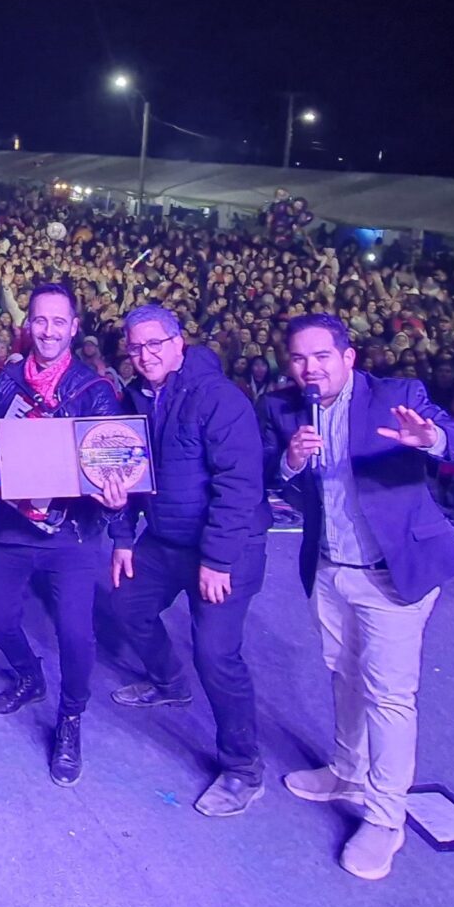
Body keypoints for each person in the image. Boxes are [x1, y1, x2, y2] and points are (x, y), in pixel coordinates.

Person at [260, 312, 454, 881]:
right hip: (330, 567)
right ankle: (347, 771)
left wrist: (431, 439)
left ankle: (386, 818)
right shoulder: (284, 407)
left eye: (321, 357)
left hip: (394, 573)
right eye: (298, 359)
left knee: (389, 697)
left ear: (348, 357)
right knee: (343, 675)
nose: (310, 369)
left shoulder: (397, 396)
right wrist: (289, 461)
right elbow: (269, 473)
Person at [106, 304, 272, 817]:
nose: (145, 355)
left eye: (155, 344)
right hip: (166, 539)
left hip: (227, 547)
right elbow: (123, 471)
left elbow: (239, 486)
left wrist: (218, 560)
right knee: (127, 603)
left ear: (179, 343)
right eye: (136, 347)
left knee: (216, 654)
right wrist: (122, 535)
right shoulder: (135, 397)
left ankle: (243, 768)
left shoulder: (219, 398)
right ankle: (169, 683)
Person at [0, 281, 131, 785]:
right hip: (12, 524)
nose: (49, 330)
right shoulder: (8, 381)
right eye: (40, 320)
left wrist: (118, 513)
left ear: (74, 328)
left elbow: (113, 465)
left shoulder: (94, 391)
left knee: (76, 635)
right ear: (28, 324)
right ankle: (29, 676)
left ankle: (70, 718)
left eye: (59, 322)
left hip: (71, 535)